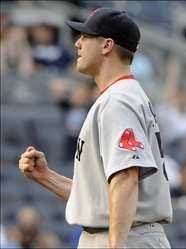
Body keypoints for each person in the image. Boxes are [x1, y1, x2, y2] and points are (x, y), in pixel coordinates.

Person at [19, 8, 173, 248]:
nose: (78, 44)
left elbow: (125, 178)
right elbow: (101, 199)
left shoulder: (118, 100)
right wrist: (46, 177)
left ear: (107, 45)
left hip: (126, 237)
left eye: (86, 37)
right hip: (122, 234)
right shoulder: (122, 96)